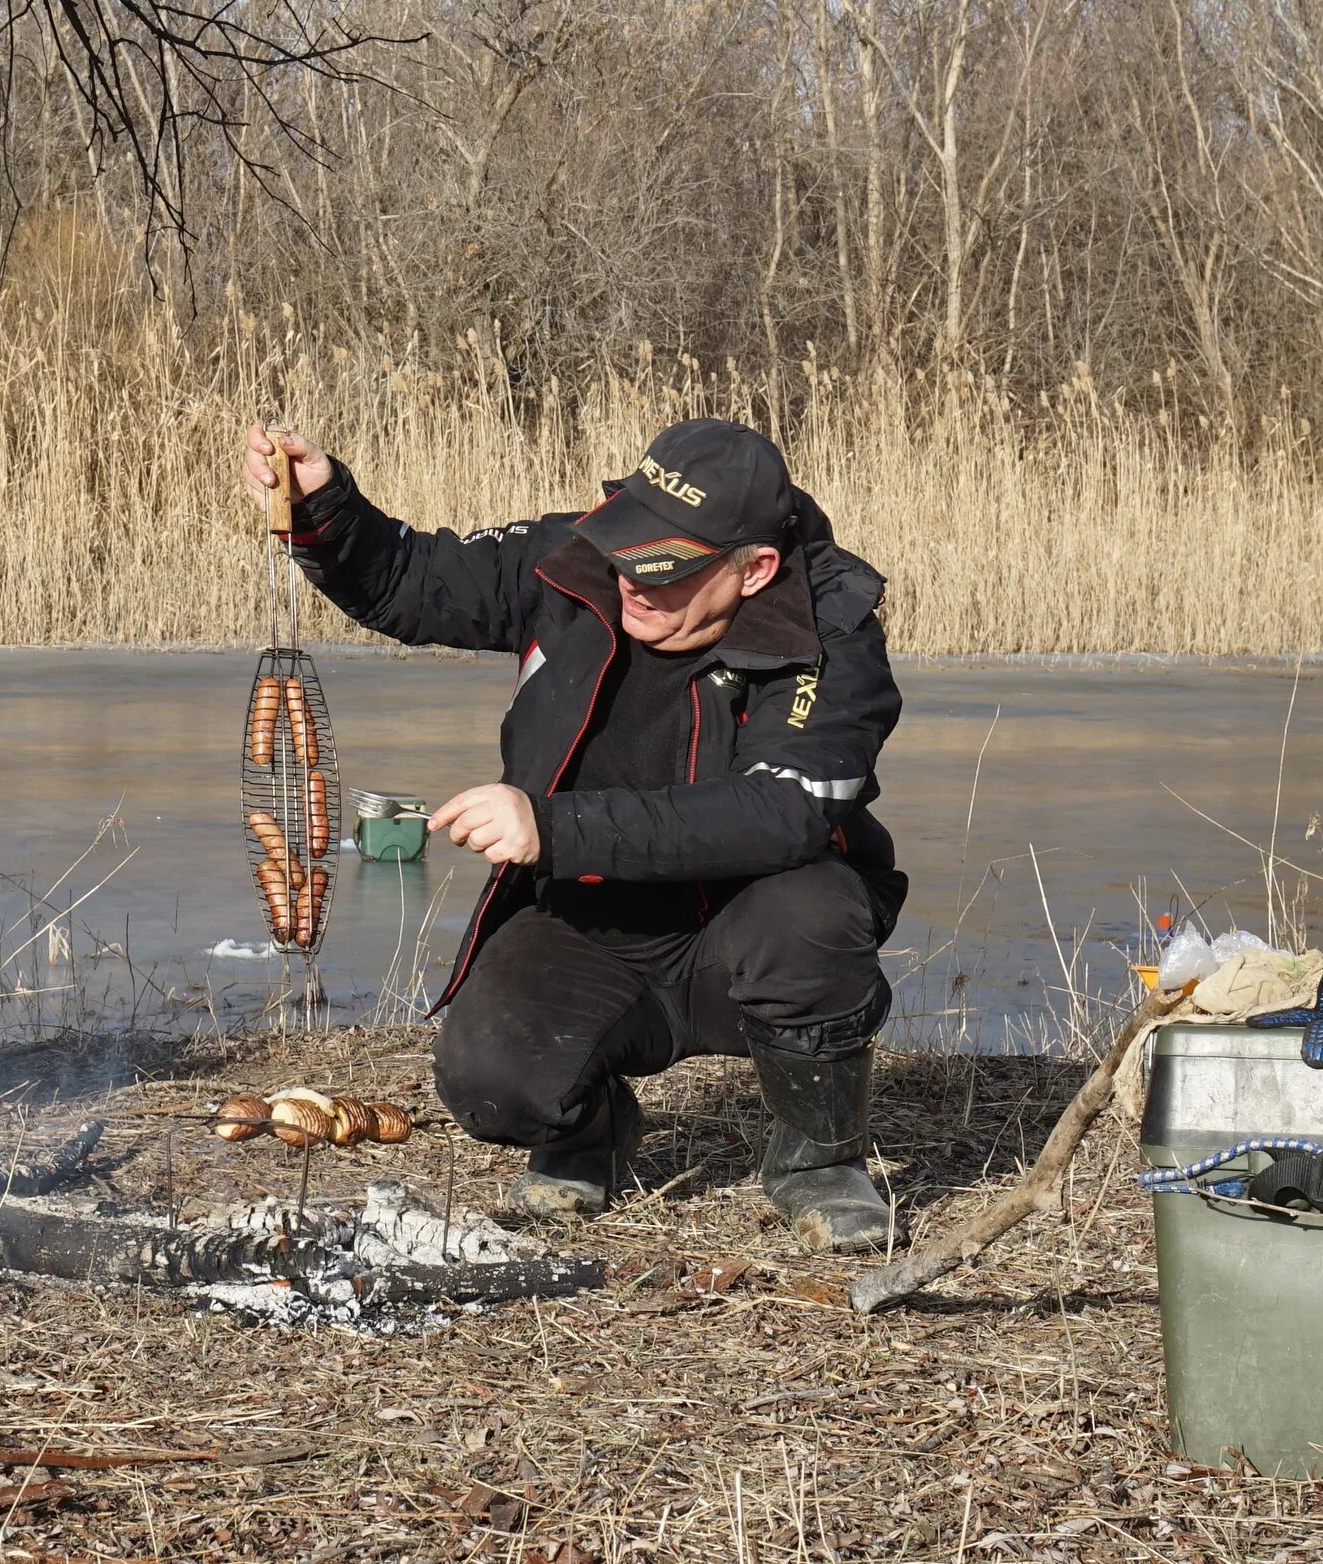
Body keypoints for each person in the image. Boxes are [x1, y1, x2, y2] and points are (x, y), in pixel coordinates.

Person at [241, 417, 908, 1250]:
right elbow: (414, 579)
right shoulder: (576, 560)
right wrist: (327, 507)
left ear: (754, 568)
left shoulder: (830, 629)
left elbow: (782, 812)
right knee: (488, 1077)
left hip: (745, 933)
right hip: (592, 922)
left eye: (667, 572)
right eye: (630, 551)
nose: (632, 580)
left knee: (815, 908)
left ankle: (818, 1164)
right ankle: (588, 1134)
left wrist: (552, 826)